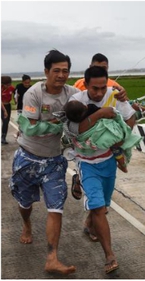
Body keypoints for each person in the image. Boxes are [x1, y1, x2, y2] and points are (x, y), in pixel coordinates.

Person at [9, 50, 80, 275]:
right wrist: (60, 125)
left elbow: (93, 103)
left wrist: (118, 97)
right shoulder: (34, 93)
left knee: (56, 207)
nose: (61, 75)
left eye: (65, 71)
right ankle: (27, 223)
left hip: (54, 161)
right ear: (46, 71)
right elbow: (30, 127)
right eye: (56, 71)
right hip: (28, 158)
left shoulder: (73, 94)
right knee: (25, 204)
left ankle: (52, 258)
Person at [67, 65, 137, 274]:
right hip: (86, 163)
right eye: (94, 88)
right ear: (85, 85)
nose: (99, 93)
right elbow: (74, 129)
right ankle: (109, 256)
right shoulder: (76, 101)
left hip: (107, 161)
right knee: (98, 207)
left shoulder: (115, 96)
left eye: (102, 88)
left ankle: (90, 223)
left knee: (103, 206)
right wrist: (99, 115)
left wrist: (118, 137)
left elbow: (130, 120)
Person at [70, 53, 145, 200]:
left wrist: (140, 108)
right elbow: (73, 112)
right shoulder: (78, 87)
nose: (99, 92)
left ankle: (119, 166)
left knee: (117, 153)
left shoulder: (114, 88)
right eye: (97, 68)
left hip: (109, 136)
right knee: (85, 167)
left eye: (104, 69)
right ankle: (79, 180)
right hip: (87, 138)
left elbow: (128, 105)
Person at [64, 100, 135, 173]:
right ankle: (122, 165)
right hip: (104, 133)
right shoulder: (91, 108)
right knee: (116, 148)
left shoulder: (73, 123)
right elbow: (107, 113)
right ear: (85, 106)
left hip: (90, 144)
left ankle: (122, 165)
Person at [1, 75, 15, 144]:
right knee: (5, 121)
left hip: (8, 105)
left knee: (6, 122)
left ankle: (4, 136)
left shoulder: (11, 88)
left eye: (9, 84)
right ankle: (3, 137)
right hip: (1, 106)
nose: (9, 86)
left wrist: (16, 99)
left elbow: (16, 94)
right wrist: (4, 111)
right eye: (7, 84)